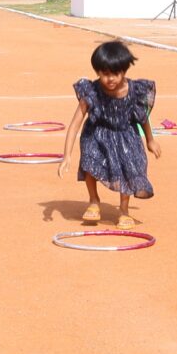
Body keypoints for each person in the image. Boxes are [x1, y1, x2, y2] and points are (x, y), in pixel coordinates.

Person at [60, 40, 158, 225]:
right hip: (97, 135)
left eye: (116, 73)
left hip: (125, 136)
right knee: (89, 159)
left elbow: (143, 118)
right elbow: (74, 124)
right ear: (97, 72)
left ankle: (123, 210)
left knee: (129, 167)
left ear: (124, 70)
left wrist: (150, 141)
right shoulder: (91, 91)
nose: (110, 79)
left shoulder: (134, 91)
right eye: (105, 74)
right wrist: (67, 155)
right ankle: (94, 201)